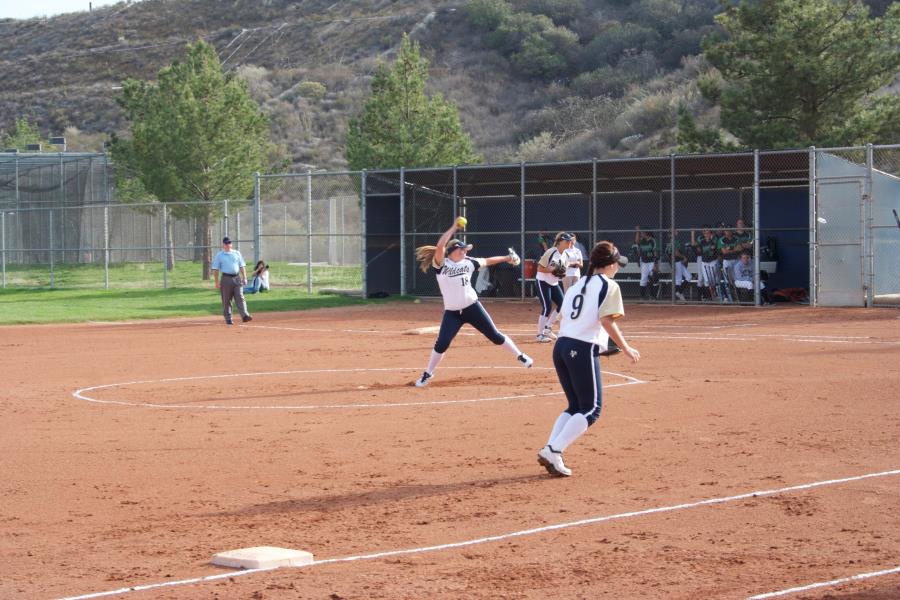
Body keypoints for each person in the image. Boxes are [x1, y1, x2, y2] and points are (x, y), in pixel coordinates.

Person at [537, 241, 641, 477]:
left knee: (575, 406)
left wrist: (598, 342)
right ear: (611, 264)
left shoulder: (578, 284)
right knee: (591, 409)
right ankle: (554, 449)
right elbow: (606, 321)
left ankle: (550, 449)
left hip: (561, 346)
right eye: (617, 265)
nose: (618, 269)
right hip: (580, 348)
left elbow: (567, 317)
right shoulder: (609, 285)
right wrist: (625, 348)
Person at [412, 220, 532, 387]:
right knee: (442, 343)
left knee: (495, 336)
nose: (464, 251)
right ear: (452, 251)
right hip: (453, 313)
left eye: (465, 249)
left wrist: (507, 258)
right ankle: (428, 374)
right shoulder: (442, 265)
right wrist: (454, 227)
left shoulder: (469, 262)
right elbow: (440, 247)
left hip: (472, 307)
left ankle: (521, 355)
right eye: (462, 249)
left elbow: (488, 261)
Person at [535, 231, 574, 342]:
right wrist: (553, 269)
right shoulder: (551, 252)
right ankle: (539, 335)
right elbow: (540, 268)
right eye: (567, 241)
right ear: (560, 242)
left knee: (562, 305)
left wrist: (562, 273)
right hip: (542, 281)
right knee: (547, 307)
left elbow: (563, 272)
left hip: (554, 283)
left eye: (570, 241)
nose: (569, 243)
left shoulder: (566, 255)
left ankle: (548, 328)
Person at [211, 236, 252, 325]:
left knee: (240, 297)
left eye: (229, 243)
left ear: (231, 244)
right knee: (226, 300)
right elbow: (215, 269)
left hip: (237, 278)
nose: (228, 245)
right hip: (226, 279)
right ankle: (228, 318)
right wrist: (216, 282)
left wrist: (244, 277)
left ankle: (245, 315)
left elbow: (242, 266)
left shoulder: (237, 253)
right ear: (223, 245)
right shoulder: (220, 255)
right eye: (226, 243)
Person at [691, 227, 719, 301]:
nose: (707, 234)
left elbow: (714, 248)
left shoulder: (714, 241)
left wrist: (710, 246)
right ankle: (708, 297)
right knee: (706, 280)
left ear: (711, 234)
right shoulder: (702, 242)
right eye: (705, 233)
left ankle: (714, 295)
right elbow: (695, 245)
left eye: (708, 233)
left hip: (712, 262)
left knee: (712, 280)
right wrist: (692, 233)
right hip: (704, 262)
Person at [634, 226, 659, 300]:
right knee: (643, 279)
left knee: (654, 278)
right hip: (644, 262)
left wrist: (655, 264)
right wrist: (637, 232)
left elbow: (656, 254)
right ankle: (642, 297)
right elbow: (636, 241)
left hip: (652, 261)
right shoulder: (642, 240)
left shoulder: (653, 240)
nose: (642, 234)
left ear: (646, 233)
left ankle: (654, 296)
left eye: (642, 232)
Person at [666, 231, 692, 302]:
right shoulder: (674, 241)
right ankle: (677, 295)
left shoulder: (669, 242)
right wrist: (684, 257)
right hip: (676, 261)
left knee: (688, 276)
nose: (677, 232)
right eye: (674, 231)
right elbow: (676, 253)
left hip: (675, 262)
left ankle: (679, 293)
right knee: (678, 280)